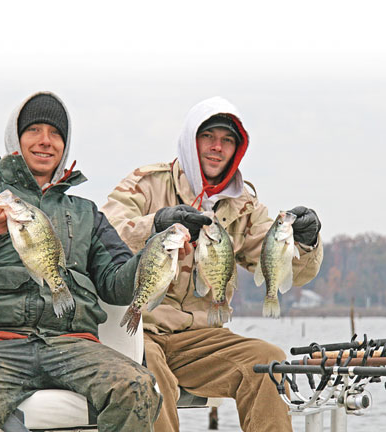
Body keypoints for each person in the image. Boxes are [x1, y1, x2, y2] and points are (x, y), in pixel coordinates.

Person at [0, 91, 192, 432]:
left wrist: (157, 252)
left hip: (73, 345)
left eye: (56, 133)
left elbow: (116, 285)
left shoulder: (86, 213)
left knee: (136, 387)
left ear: (65, 146)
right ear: (15, 139)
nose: (45, 141)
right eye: (34, 130)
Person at [101, 96, 324, 432]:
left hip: (201, 339)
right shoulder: (146, 183)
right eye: (208, 136)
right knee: (151, 377)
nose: (217, 147)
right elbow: (104, 236)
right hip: (140, 331)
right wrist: (156, 223)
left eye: (227, 140)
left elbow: (284, 267)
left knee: (268, 361)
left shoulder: (244, 206)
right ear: (191, 140)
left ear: (237, 150)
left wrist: (305, 241)